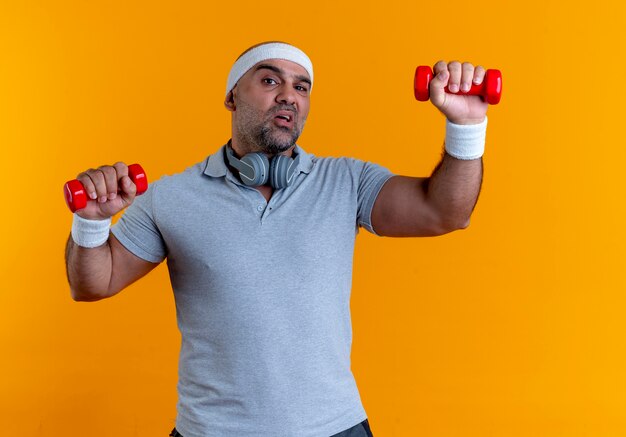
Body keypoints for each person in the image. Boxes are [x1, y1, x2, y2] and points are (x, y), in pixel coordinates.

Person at [65, 41, 490, 437]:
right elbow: (92, 284)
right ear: (232, 97)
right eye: (270, 80)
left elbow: (444, 212)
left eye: (301, 86)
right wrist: (91, 222)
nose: (289, 95)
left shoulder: (346, 181)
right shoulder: (171, 197)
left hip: (335, 427)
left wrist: (466, 125)